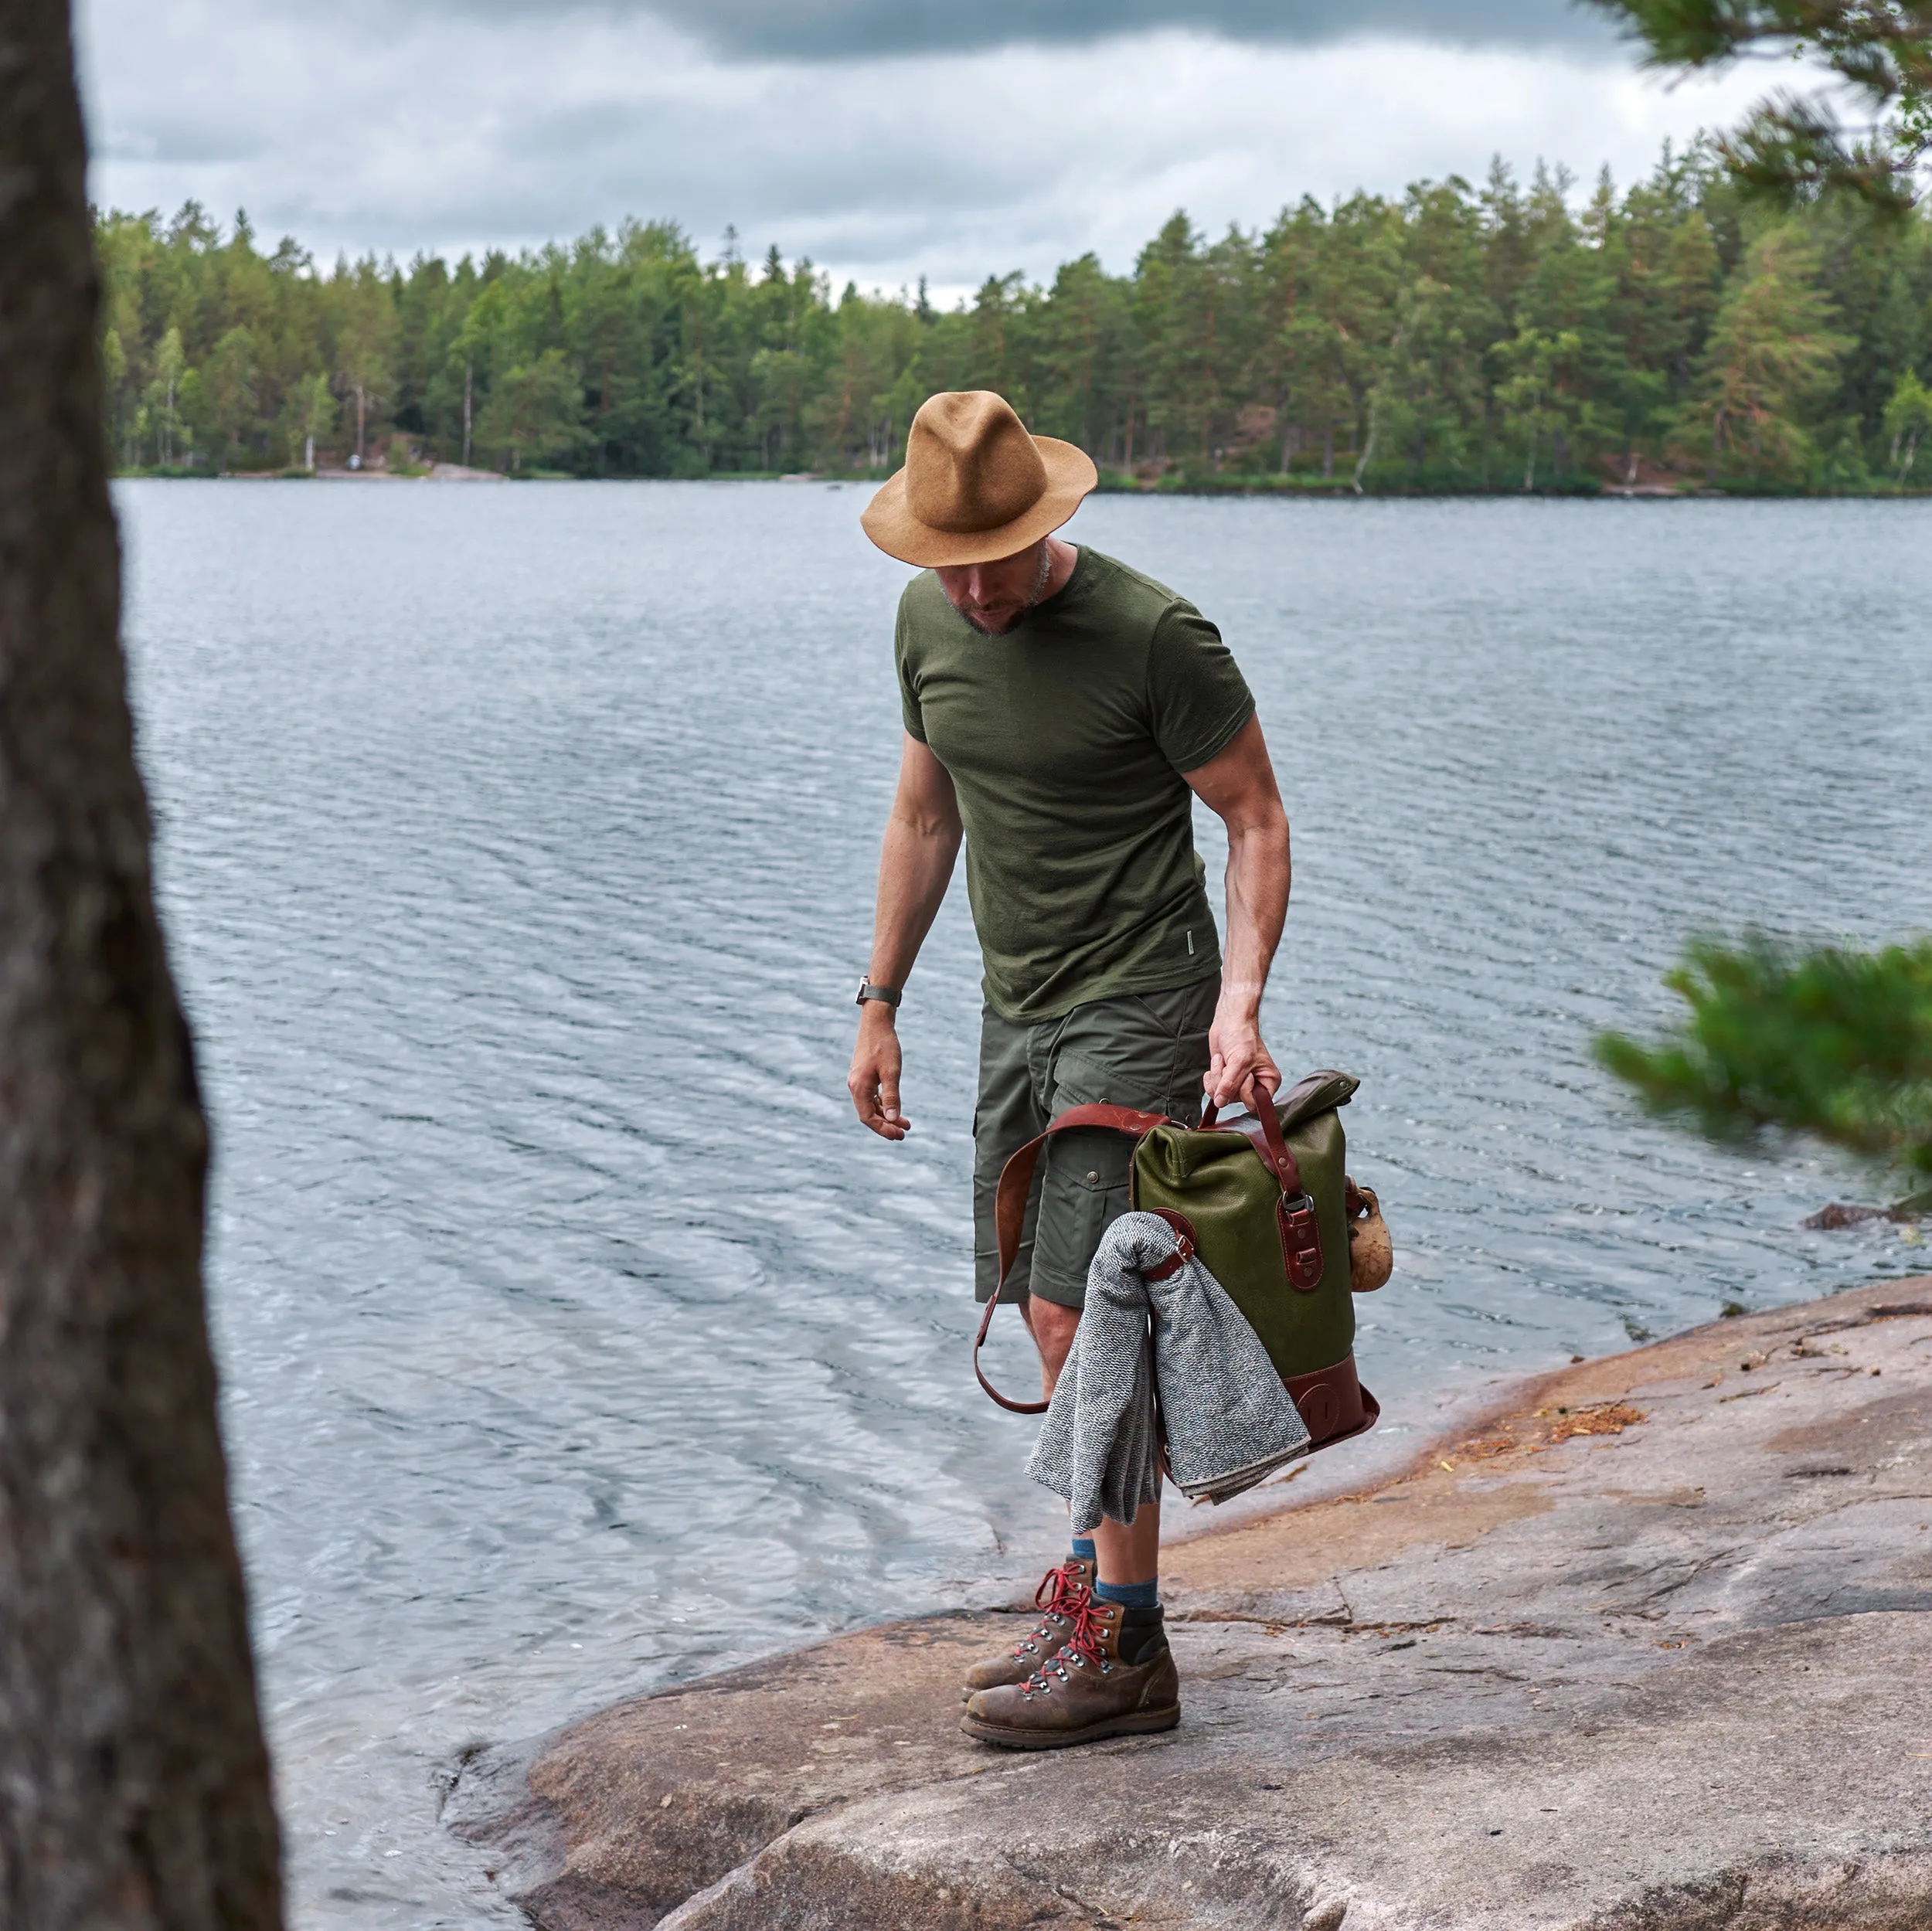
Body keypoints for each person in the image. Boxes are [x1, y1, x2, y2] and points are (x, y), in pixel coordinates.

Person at [847, 389, 1291, 1749]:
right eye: (950, 560)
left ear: (1051, 518)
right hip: (1013, 1008)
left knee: (1077, 1310)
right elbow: (929, 812)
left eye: (996, 556)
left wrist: (1240, 1004)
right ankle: (1098, 1597)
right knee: (1034, 1304)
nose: (974, 588)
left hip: (1141, 996)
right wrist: (878, 1000)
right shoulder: (927, 616)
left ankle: (1127, 1644)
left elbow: (1258, 819)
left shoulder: (1155, 635)